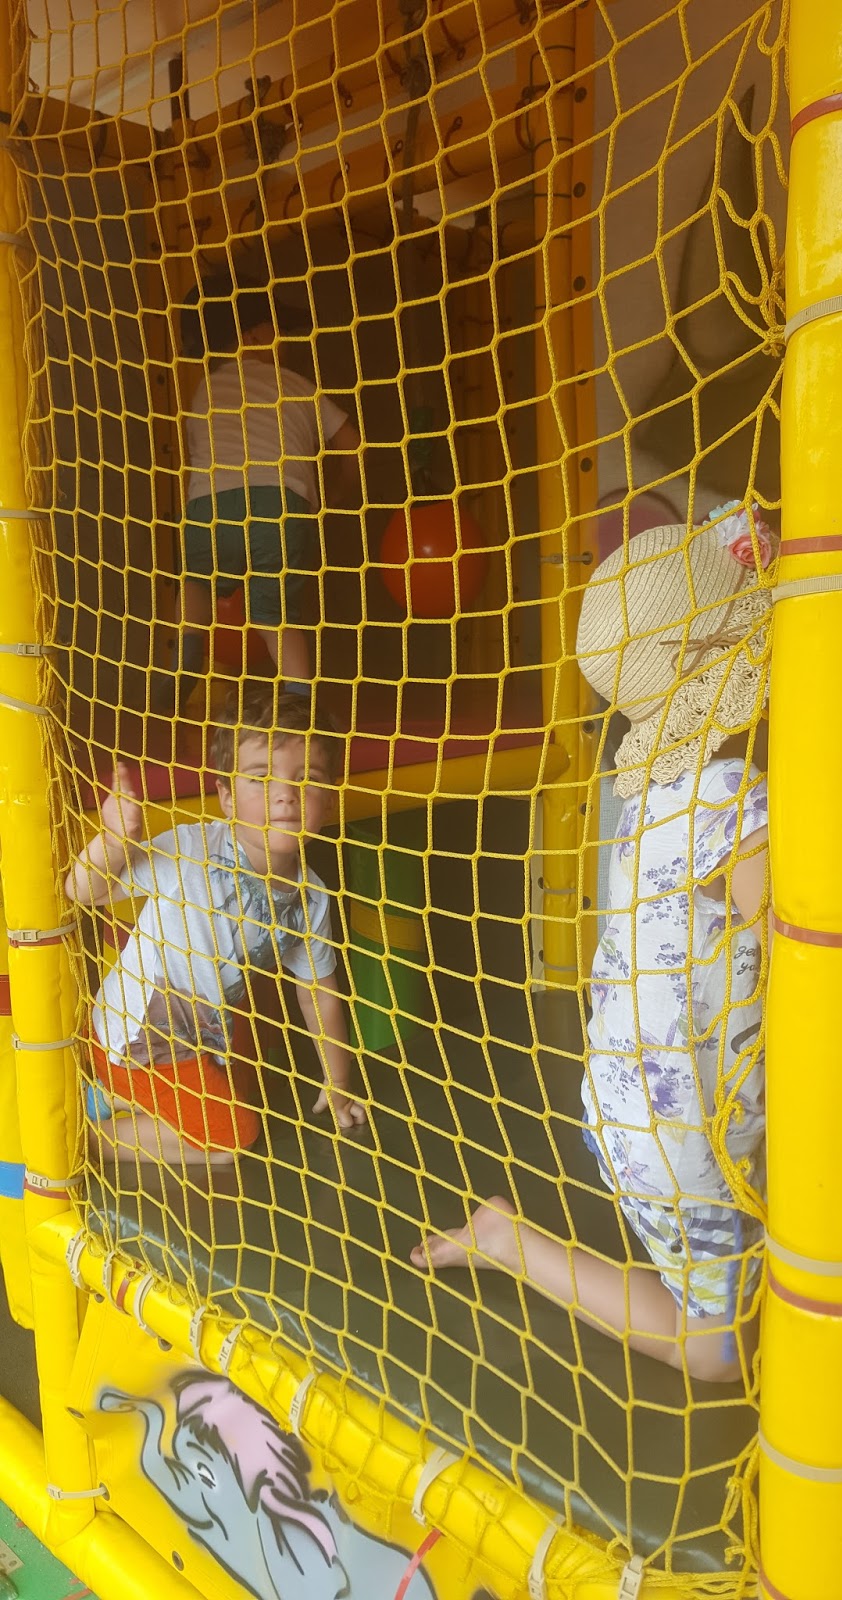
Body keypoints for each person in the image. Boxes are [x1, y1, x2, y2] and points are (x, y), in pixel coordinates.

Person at [412, 503, 775, 1382]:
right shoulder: (735, 799)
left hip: (632, 1101)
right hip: (686, 1129)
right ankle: (509, 1243)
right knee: (719, 1348)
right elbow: (798, 953)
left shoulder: (649, 788)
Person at [66, 682, 367, 1166]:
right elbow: (82, 891)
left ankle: (115, 1097)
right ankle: (84, 1134)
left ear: (329, 797)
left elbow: (319, 993)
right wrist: (114, 842)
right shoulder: (194, 850)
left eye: (307, 778)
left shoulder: (310, 896)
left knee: (241, 1093)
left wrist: (338, 1083)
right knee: (230, 1142)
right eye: (260, 778)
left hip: (198, 1040)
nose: (285, 796)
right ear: (226, 796)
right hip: (133, 1037)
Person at [152, 286, 361, 715]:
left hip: (210, 506)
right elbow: (353, 445)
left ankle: (182, 666)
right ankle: (300, 706)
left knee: (195, 588)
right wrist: (340, 493)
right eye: (275, 330)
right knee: (275, 618)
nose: (282, 340)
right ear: (250, 336)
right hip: (278, 504)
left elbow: (200, 448)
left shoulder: (205, 390)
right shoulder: (296, 385)